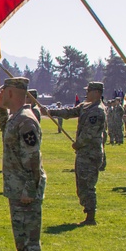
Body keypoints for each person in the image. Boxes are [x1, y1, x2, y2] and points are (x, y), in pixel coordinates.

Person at [0, 77, 46, 251]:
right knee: (20, 233)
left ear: (11, 92)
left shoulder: (26, 120)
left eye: (3, 91)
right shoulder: (15, 118)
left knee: (29, 233)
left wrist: (29, 187)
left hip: (26, 187)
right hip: (16, 186)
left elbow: (32, 157)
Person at [47, 82, 107, 225]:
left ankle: (91, 216)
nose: (86, 93)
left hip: (91, 153)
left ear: (97, 93)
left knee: (88, 184)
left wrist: (78, 144)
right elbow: (70, 112)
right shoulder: (86, 107)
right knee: (81, 184)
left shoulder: (98, 110)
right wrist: (52, 112)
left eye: (90, 91)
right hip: (83, 152)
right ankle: (87, 211)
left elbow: (90, 133)